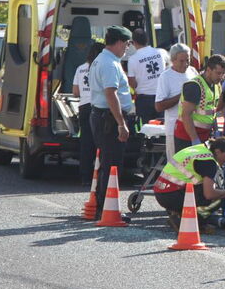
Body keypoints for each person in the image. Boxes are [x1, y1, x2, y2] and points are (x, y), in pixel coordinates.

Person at [89, 26, 135, 214]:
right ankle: (107, 208)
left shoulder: (104, 59)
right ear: (119, 42)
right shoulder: (109, 63)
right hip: (109, 119)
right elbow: (110, 93)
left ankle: (105, 205)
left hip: (104, 117)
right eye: (127, 43)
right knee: (112, 164)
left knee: (109, 163)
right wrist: (121, 124)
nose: (127, 48)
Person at [154, 136, 225, 232]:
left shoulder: (200, 149)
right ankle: (191, 223)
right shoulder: (209, 162)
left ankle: (178, 214)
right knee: (219, 197)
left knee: (204, 187)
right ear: (217, 152)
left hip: (161, 192)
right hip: (172, 195)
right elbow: (209, 194)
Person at [173, 54, 225, 153]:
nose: (221, 77)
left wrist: (216, 130)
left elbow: (211, 111)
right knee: (186, 168)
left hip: (204, 135)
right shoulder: (195, 86)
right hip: (187, 136)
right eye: (218, 73)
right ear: (209, 70)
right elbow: (186, 115)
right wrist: (194, 139)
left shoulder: (216, 86)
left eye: (223, 73)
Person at [154, 43, 198, 162]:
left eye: (187, 60)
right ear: (173, 60)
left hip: (192, 127)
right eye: (181, 61)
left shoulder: (192, 71)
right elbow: (159, 106)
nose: (185, 64)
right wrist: (182, 96)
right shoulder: (166, 77)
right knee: (177, 165)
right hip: (174, 128)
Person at [73, 42, 104, 184]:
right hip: (98, 106)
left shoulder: (80, 69)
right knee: (101, 142)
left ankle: (85, 175)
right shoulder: (101, 67)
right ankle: (100, 174)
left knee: (86, 142)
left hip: (84, 107)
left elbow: (75, 92)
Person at [126, 28, 170, 127]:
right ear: (147, 40)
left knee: (147, 130)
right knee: (163, 127)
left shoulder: (133, 59)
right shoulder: (161, 53)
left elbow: (132, 83)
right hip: (162, 97)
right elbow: (169, 69)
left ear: (133, 42)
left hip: (144, 100)